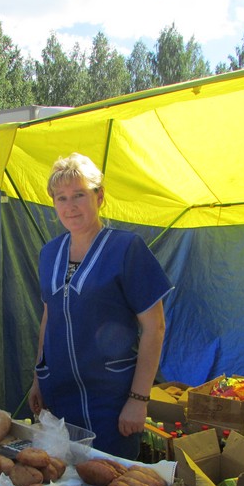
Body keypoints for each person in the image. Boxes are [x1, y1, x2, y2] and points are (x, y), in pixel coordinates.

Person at [28, 153, 172, 459]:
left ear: (100, 196)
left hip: (111, 401)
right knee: (63, 482)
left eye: (79, 195)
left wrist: (138, 398)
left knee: (111, 484)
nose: (70, 206)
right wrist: (38, 377)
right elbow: (48, 317)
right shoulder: (49, 253)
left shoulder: (126, 248)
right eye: (61, 198)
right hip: (59, 395)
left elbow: (154, 327)